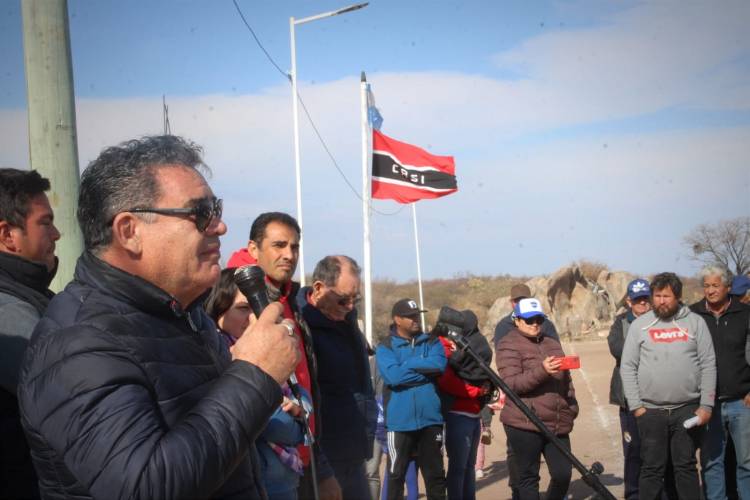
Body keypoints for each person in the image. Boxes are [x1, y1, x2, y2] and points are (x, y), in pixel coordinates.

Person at [17, 135, 300, 499]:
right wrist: (254, 375)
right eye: (200, 214)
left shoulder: (184, 314)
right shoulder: (77, 343)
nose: (220, 226)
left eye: (217, 210)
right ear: (129, 231)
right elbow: (144, 485)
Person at [244, 212, 341, 500]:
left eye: (294, 247)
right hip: (262, 464)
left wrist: (319, 464)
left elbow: (301, 383)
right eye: (279, 245)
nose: (289, 255)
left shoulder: (290, 301)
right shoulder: (235, 300)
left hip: (300, 455)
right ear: (253, 249)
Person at [205, 268, 309, 500]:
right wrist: (294, 426)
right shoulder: (215, 355)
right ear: (219, 309)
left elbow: (301, 395)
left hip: (285, 480)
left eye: (257, 308)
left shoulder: (274, 349)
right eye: (243, 308)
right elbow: (271, 424)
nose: (254, 319)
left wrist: (300, 411)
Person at [620, 272, 716, 500]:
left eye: (666, 296)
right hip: (650, 411)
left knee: (685, 467)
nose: (661, 301)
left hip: (687, 410)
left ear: (679, 297)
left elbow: (709, 364)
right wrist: (637, 407)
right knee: (651, 469)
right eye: (657, 296)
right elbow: (628, 367)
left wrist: (706, 405)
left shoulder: (695, 323)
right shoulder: (641, 325)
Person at [0, 168, 60, 499]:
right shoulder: (8, 311)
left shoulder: (30, 296)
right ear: (8, 235)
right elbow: (66, 400)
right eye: (45, 222)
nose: (57, 233)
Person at [296, 255, 377, 499]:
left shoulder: (347, 319)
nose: (351, 306)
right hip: (324, 457)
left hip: (355, 450)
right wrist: (321, 468)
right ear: (319, 289)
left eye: (356, 299)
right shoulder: (302, 327)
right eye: (343, 299)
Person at [496, 298, 578, 500]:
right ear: (517, 320)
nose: (534, 324)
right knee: (528, 478)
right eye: (529, 319)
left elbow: (567, 380)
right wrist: (542, 370)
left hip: (557, 421)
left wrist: (572, 406)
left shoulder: (552, 343)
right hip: (524, 423)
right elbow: (511, 384)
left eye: (538, 319)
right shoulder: (507, 345)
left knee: (563, 475)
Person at [492, 282, 559, 499]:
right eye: (517, 300)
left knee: (559, 471)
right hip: (520, 404)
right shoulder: (504, 327)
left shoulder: (545, 323)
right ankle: (517, 491)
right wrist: (539, 368)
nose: (534, 323)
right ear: (512, 303)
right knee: (518, 458)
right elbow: (509, 370)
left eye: (525, 298)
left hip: (549, 400)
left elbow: (556, 350)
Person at [377, 298, 448, 500]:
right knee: (395, 476)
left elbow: (439, 366)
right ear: (397, 319)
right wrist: (423, 368)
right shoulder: (386, 346)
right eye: (410, 317)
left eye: (417, 315)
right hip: (400, 423)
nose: (416, 319)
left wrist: (406, 365)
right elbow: (394, 377)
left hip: (431, 420)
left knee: (435, 477)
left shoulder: (432, 341)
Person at [690, 264, 750, 500]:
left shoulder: (744, 314)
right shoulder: (692, 315)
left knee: (746, 462)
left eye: (715, 285)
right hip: (708, 405)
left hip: (741, 402)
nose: (711, 290)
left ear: (727, 287)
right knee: (712, 463)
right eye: (706, 285)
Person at [437, 310, 493, 500]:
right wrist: (477, 391)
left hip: (473, 414)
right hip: (457, 414)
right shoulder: (441, 346)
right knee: (458, 468)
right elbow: (448, 381)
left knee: (469, 467)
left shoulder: (463, 346)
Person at [607, 278, 653, 500]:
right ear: (628, 301)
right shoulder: (620, 323)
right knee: (633, 450)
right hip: (629, 399)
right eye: (638, 301)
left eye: (646, 300)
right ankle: (633, 494)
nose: (643, 305)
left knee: (656, 451)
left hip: (656, 398)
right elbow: (618, 350)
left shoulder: (659, 321)